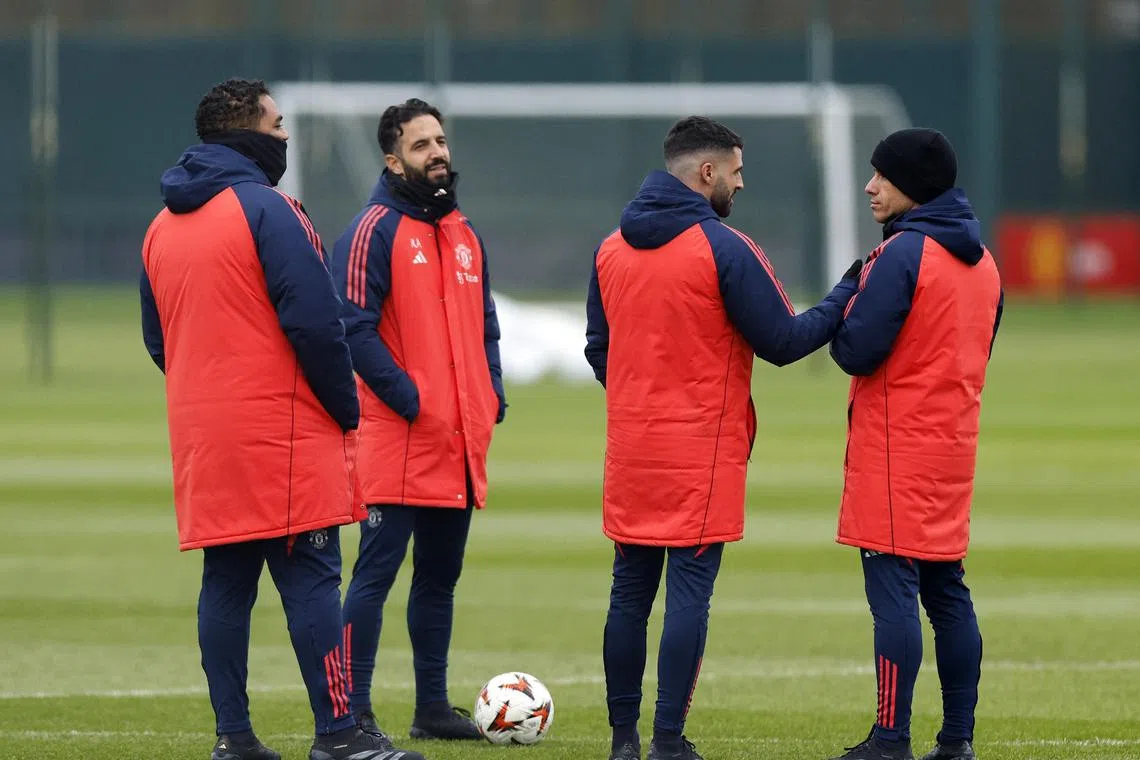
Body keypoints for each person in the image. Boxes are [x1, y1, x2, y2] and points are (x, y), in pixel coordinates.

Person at [139, 78, 426, 760]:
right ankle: (340, 734)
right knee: (312, 577)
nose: (285, 135)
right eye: (275, 124)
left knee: (225, 580)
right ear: (245, 132)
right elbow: (317, 325)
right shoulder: (273, 211)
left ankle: (233, 737)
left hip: (204, 435)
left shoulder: (160, 226)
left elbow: (160, 341)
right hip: (284, 430)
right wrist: (344, 406)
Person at [584, 115, 863, 760]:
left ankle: (623, 741)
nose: (741, 183)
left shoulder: (610, 248)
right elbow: (786, 342)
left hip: (632, 447)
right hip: (701, 450)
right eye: (736, 172)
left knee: (628, 591)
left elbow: (600, 350)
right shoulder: (725, 247)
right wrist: (845, 294)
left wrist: (641, 398)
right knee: (688, 593)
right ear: (705, 172)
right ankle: (667, 742)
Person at [329, 98, 506, 743]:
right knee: (372, 579)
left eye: (440, 140)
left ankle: (432, 707)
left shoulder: (464, 233)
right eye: (421, 144)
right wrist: (408, 398)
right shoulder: (373, 230)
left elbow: (485, 325)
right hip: (395, 440)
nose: (437, 152)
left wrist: (491, 393)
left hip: (456, 441)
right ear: (392, 159)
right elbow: (350, 328)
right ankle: (350, 713)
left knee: (438, 579)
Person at [826, 128, 1004, 760]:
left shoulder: (903, 255)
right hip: (952, 445)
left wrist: (844, 303)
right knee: (947, 591)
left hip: (895, 446)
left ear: (915, 187)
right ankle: (957, 740)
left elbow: (854, 350)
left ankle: (890, 737)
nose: (870, 186)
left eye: (883, 176)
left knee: (894, 596)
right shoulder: (985, 262)